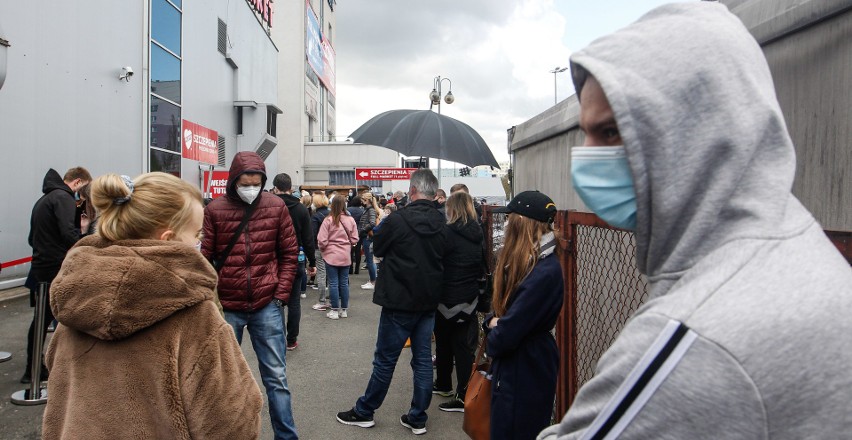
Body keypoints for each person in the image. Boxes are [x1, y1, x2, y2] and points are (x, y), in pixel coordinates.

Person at [538, 3, 852, 439]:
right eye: (586, 134)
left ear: (694, 135)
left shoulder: (695, 333)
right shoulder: (792, 248)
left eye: (611, 133)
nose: (587, 157)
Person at [43, 172, 263, 439]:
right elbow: (232, 423)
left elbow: (58, 397)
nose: (200, 242)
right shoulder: (194, 316)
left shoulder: (76, 299)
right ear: (168, 239)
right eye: (196, 233)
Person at [336, 169, 448, 435]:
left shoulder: (399, 220)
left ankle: (365, 411)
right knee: (421, 359)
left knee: (385, 359)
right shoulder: (444, 222)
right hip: (429, 299)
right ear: (434, 193)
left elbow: (380, 248)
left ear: (412, 191)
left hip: (399, 298)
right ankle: (417, 416)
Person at [201, 151, 299, 440]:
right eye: (246, 182)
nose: (251, 188)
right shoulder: (215, 210)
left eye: (257, 182)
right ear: (233, 181)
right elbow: (205, 257)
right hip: (227, 306)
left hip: (266, 303)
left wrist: (280, 294)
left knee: (276, 378)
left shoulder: (276, 206)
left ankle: (287, 436)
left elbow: (289, 253)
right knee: (219, 379)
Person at [483, 190, 562, 440]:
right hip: (521, 365)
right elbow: (500, 319)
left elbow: (504, 335)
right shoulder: (531, 263)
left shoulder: (543, 271)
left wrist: (496, 326)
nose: (505, 224)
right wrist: (493, 322)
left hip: (525, 369)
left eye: (510, 217)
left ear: (522, 222)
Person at [22, 166, 91, 384]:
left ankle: (34, 367)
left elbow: (32, 238)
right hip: (55, 267)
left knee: (42, 320)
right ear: (78, 182)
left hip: (41, 266)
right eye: (84, 188)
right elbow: (67, 232)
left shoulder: (44, 199)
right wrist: (86, 245)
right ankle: (38, 368)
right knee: (55, 318)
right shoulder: (63, 198)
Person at [433, 191, 484, 412]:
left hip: (446, 299)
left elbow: (438, 264)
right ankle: (462, 391)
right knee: (463, 348)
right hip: (469, 298)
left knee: (444, 344)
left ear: (451, 209)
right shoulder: (478, 232)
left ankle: (450, 388)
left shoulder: (446, 233)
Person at [272, 173, 318, 351]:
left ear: (275, 188)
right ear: (291, 188)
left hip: (274, 260)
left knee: (275, 302)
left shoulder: (271, 206)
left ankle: (278, 338)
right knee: (294, 302)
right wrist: (311, 262)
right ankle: (292, 339)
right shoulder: (300, 209)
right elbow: (308, 238)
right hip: (296, 259)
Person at [317, 196, 359, 319]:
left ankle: (334, 310)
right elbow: (355, 238)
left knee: (333, 283)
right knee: (344, 283)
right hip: (345, 255)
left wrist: (324, 249)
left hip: (331, 255)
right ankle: (344, 310)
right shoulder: (350, 220)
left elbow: (322, 240)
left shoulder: (328, 220)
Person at [310, 192, 331, 310]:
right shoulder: (331, 214)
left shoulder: (315, 216)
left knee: (322, 274)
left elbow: (313, 234)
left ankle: (322, 301)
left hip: (319, 247)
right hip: (332, 247)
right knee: (332, 274)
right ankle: (333, 300)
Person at [357, 192, 381, 290]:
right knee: (371, 260)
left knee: (370, 261)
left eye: (363, 200)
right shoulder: (369, 209)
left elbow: (372, 224)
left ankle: (373, 281)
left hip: (367, 237)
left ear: (367, 200)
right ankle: (372, 280)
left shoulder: (370, 210)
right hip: (367, 237)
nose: (361, 202)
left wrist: (362, 230)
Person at [347, 195, 365, 274]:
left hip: (349, 231)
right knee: (358, 251)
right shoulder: (362, 211)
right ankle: (357, 269)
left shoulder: (348, 210)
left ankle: (350, 268)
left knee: (350, 251)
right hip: (359, 231)